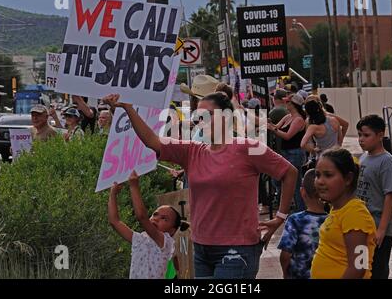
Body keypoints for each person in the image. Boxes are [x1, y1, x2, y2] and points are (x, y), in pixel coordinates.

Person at [103, 92, 298, 279]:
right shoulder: (192, 151)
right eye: (198, 116)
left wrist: (280, 217)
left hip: (238, 249)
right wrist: (127, 108)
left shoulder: (249, 147)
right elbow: (152, 141)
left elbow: (289, 172)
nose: (201, 120)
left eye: (208, 114)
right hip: (202, 249)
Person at [108, 171, 189, 279]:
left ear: (172, 231)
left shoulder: (166, 242)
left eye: (164, 218)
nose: (156, 218)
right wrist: (113, 194)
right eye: (155, 214)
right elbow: (114, 222)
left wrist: (134, 186)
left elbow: (142, 217)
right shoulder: (139, 239)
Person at [311, 148, 376, 279]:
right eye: (317, 175)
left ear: (348, 179)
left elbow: (359, 267)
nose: (320, 181)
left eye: (328, 175)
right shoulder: (337, 209)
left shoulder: (356, 214)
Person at [356, 115, 392, 279]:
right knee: (361, 269)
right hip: (361, 226)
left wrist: (381, 229)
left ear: (380, 135)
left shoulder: (387, 162)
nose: (361, 139)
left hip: (377, 228)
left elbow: (390, 197)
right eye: (360, 134)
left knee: (377, 271)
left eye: (366, 135)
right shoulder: (364, 157)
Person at [278, 169, 327, 279]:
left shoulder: (295, 220)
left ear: (302, 192)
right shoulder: (332, 220)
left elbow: (285, 255)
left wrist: (285, 274)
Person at [268, 93, 307, 211]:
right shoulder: (288, 117)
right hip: (286, 153)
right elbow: (276, 126)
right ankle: (293, 207)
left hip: (295, 153)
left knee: (295, 184)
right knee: (280, 180)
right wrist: (270, 124)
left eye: (288, 102)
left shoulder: (298, 119)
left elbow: (287, 136)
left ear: (294, 104)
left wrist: (273, 128)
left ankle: (300, 209)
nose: (285, 103)